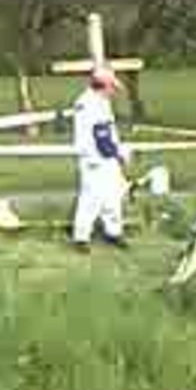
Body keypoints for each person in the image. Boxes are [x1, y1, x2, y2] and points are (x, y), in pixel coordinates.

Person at [71, 66, 131, 253]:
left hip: (105, 157)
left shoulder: (100, 100)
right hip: (95, 159)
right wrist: (120, 154)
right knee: (91, 199)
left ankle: (113, 232)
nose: (114, 91)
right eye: (111, 87)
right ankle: (81, 238)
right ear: (103, 85)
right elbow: (102, 138)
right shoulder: (90, 104)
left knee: (113, 197)